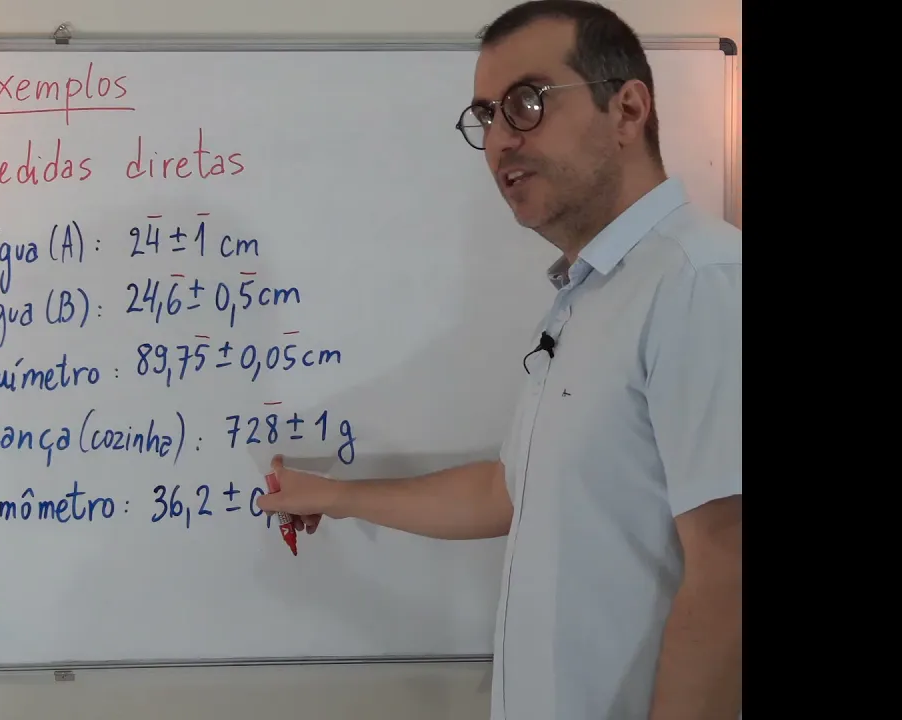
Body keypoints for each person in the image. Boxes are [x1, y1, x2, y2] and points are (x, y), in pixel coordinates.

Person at [255, 2, 742, 718]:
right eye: (486, 116)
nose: (500, 141)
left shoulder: (701, 281)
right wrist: (333, 495)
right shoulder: (589, 296)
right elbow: (510, 492)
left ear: (628, 110)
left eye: (527, 102)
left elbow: (729, 566)